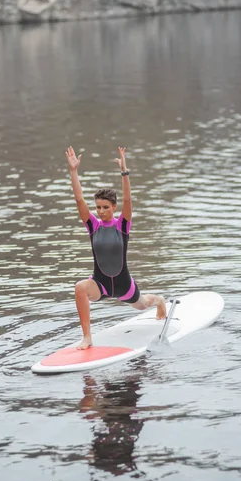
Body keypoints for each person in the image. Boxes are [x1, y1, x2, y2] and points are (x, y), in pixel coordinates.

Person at [65, 145, 167, 350]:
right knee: (79, 288)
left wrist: (124, 171)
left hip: (124, 284)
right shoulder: (93, 226)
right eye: (98, 208)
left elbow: (128, 199)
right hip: (100, 284)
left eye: (105, 207)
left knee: (143, 305)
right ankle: (87, 337)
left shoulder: (122, 225)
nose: (101, 211)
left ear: (114, 207)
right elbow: (79, 200)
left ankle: (159, 300)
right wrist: (73, 171)